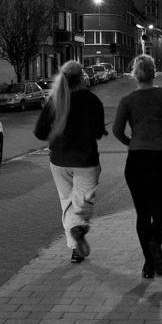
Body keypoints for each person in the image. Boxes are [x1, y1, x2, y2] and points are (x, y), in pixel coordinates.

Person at [112, 54, 162, 278]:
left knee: (143, 214)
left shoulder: (127, 100)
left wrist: (131, 142)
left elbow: (117, 131)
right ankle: (155, 243)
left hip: (137, 161)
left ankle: (148, 264)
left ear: (136, 75)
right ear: (154, 73)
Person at [33, 60, 107, 263]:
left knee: (67, 203)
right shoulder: (92, 101)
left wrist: (57, 136)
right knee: (83, 204)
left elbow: (39, 131)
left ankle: (75, 248)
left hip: (59, 161)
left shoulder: (54, 101)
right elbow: (99, 132)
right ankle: (79, 228)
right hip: (86, 161)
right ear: (82, 77)